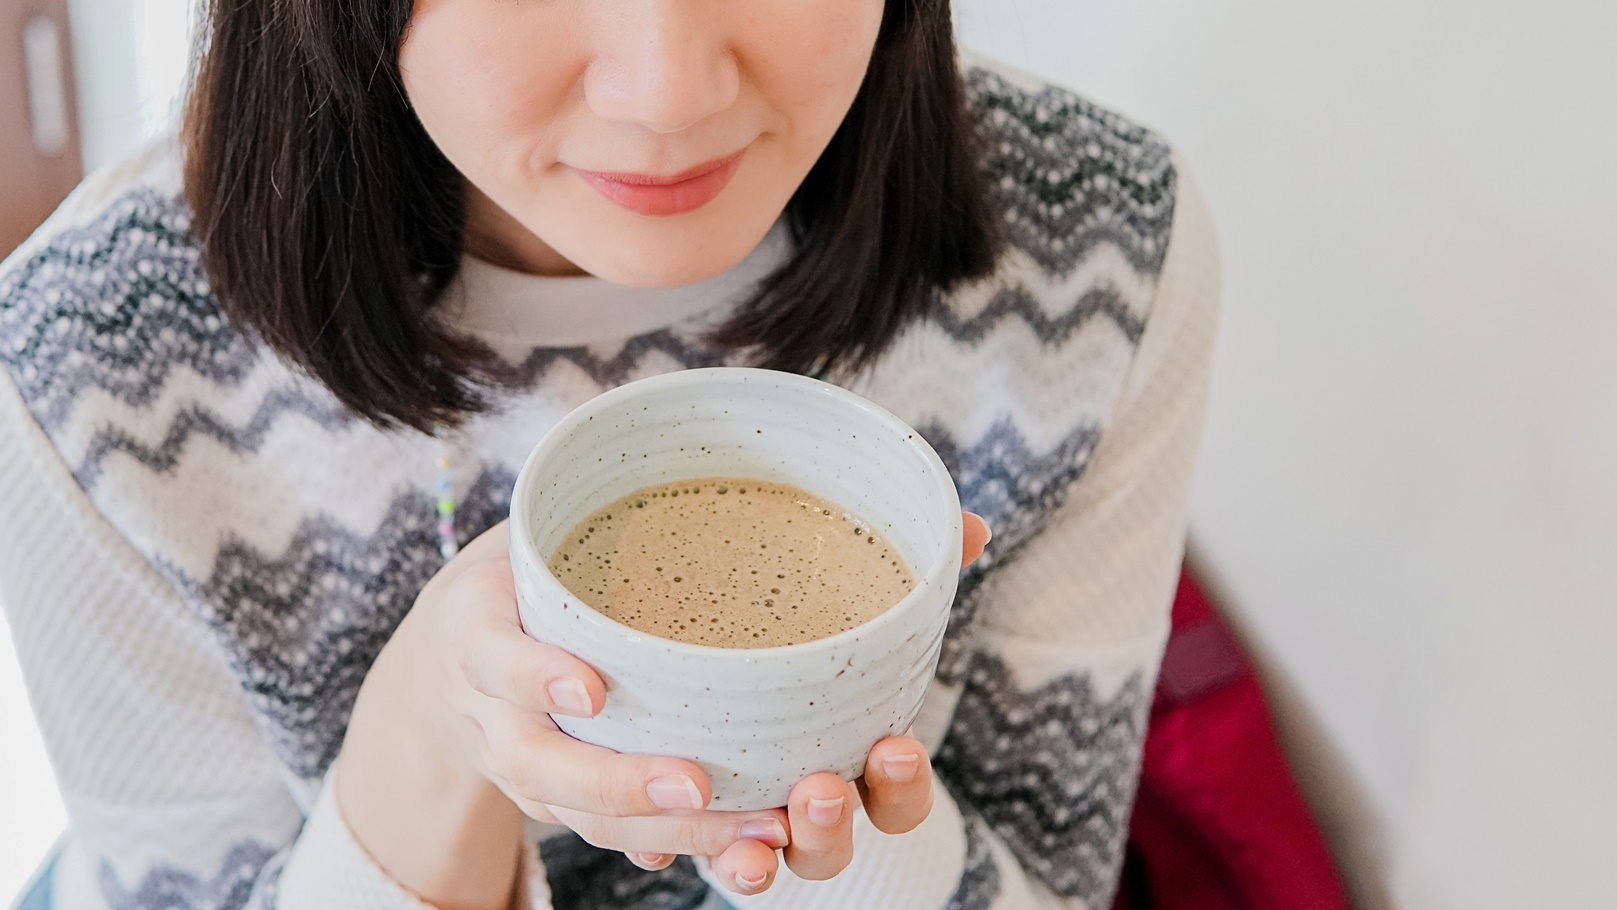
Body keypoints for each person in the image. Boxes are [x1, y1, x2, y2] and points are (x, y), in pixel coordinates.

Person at [0, 0, 1221, 907]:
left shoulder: (1093, 252)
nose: (668, 89)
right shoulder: (96, 361)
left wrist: (818, 792)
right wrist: (436, 725)